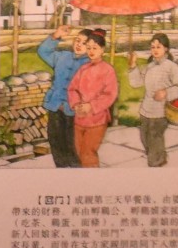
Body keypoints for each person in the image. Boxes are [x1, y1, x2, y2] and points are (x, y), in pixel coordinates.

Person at [34, 22, 87, 167]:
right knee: (55, 140)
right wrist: (56, 35)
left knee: (73, 145)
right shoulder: (62, 56)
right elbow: (43, 51)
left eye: (84, 43)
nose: (79, 44)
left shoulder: (90, 64)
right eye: (77, 40)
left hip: (75, 111)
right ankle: (61, 169)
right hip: (56, 106)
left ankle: (76, 171)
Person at [66, 28, 118, 167]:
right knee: (78, 151)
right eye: (88, 48)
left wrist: (91, 106)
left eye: (95, 48)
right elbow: (72, 89)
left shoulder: (108, 70)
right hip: (80, 118)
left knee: (88, 153)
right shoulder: (83, 69)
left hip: (97, 119)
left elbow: (110, 94)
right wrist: (76, 104)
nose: (91, 51)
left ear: (102, 49)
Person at [133, 32, 178, 167]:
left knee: (155, 137)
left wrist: (166, 93)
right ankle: (159, 157)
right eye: (153, 47)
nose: (155, 50)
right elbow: (136, 83)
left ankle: (157, 162)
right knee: (144, 137)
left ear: (166, 48)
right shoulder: (149, 66)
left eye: (158, 47)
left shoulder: (171, 67)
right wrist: (133, 66)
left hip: (161, 111)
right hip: (146, 110)